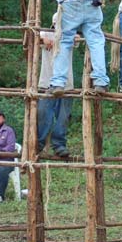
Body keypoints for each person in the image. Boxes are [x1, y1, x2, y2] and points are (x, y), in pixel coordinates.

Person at [37, 13, 73, 157]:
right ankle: (39, 142)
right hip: (47, 82)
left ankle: (59, 144)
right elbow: (32, 35)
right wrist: (42, 38)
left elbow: (78, 38)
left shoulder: (69, 34)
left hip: (66, 84)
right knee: (43, 113)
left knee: (63, 116)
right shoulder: (46, 33)